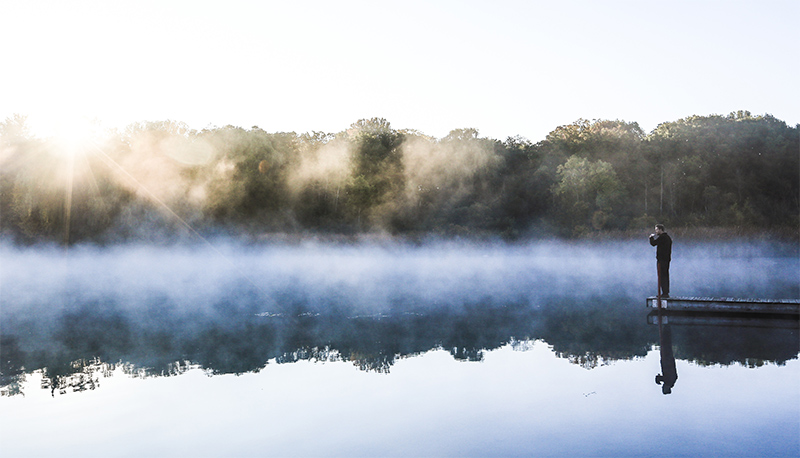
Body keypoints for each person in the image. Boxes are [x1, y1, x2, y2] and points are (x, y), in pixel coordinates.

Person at [649, 224, 672, 297]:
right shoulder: (668, 237)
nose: (655, 231)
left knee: (662, 276)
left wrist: (651, 237)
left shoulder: (662, 237)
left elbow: (653, 243)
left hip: (662, 260)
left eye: (656, 230)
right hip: (666, 259)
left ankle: (664, 293)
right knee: (665, 275)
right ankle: (666, 292)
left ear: (660, 230)